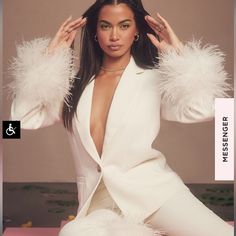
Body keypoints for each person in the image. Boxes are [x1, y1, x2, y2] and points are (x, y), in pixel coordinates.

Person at [8, 0, 233, 235]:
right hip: (99, 203)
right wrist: (47, 62)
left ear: (136, 32)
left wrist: (180, 58)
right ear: (95, 32)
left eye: (124, 26)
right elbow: (18, 121)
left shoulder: (153, 79)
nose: (114, 35)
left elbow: (207, 109)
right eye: (106, 26)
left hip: (156, 194)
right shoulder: (72, 84)